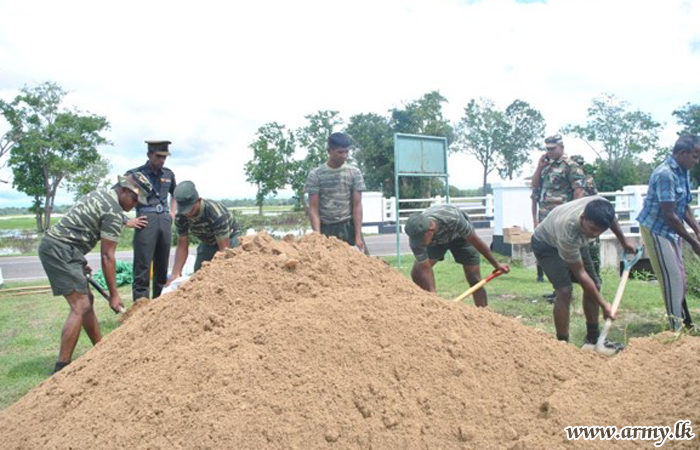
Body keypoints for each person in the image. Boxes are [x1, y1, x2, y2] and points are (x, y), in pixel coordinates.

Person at [38, 174, 152, 374]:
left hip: (64, 249)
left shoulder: (101, 195)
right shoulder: (113, 211)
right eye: (134, 199)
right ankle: (61, 368)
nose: (135, 205)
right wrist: (114, 295)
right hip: (60, 250)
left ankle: (100, 350)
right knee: (80, 305)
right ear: (124, 190)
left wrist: (78, 263)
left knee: (87, 300)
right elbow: (108, 256)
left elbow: (84, 226)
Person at [530, 196, 635, 351]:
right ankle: (562, 345)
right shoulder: (568, 230)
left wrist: (624, 242)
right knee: (564, 291)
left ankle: (593, 339)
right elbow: (580, 274)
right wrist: (604, 305)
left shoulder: (604, 208)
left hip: (576, 239)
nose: (595, 234)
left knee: (595, 285)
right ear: (583, 217)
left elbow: (612, 221)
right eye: (593, 229)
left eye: (600, 231)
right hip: (547, 244)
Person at [637, 135, 700, 331]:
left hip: (671, 230)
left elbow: (684, 206)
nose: (697, 161)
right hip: (656, 229)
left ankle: (686, 322)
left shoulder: (683, 172)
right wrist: (693, 242)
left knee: (680, 276)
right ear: (681, 153)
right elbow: (670, 215)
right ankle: (676, 329)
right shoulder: (665, 174)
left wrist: (697, 230)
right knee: (672, 278)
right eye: (694, 156)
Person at [405, 204, 510, 307]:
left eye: (420, 239)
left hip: (461, 237)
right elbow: (424, 267)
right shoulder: (416, 239)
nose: (418, 243)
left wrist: (496, 264)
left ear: (430, 230)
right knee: (417, 272)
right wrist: (434, 297)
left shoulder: (453, 219)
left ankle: (484, 313)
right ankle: (427, 308)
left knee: (474, 278)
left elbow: (476, 242)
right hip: (436, 242)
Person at [531, 134, 586, 293]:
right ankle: (559, 290)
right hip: (546, 217)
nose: (549, 152)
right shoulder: (546, 166)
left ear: (561, 147)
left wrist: (574, 215)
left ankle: (566, 290)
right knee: (551, 252)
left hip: (562, 216)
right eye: (547, 149)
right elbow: (534, 185)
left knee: (564, 251)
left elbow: (579, 191)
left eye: (552, 149)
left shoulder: (570, 166)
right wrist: (539, 167)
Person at [126, 140, 177, 300]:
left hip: (164, 219)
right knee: (142, 266)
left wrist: (173, 212)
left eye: (164, 157)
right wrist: (126, 220)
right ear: (149, 155)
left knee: (162, 266)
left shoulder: (168, 174)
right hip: (145, 220)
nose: (162, 160)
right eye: (158, 156)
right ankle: (140, 305)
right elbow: (116, 196)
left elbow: (175, 193)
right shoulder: (135, 174)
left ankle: (159, 304)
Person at [166, 181, 242, 283]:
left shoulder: (214, 213)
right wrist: (175, 274)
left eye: (191, 210)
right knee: (198, 276)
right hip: (208, 242)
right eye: (184, 211)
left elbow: (224, 250)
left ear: (199, 200)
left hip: (229, 238)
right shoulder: (181, 216)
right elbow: (182, 246)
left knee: (225, 273)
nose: (188, 214)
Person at [305, 132, 368, 254]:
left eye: (346, 152)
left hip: (348, 228)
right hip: (326, 228)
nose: (344, 156)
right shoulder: (316, 175)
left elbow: (357, 205)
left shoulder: (354, 173)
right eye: (340, 152)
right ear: (329, 151)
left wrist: (358, 236)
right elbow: (313, 208)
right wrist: (317, 236)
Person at [571, 154, 602, 282]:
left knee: (592, 249)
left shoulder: (589, 180)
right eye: (576, 164)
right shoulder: (570, 180)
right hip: (576, 218)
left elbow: (595, 197)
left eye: (580, 164)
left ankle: (596, 277)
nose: (579, 167)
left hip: (589, 217)